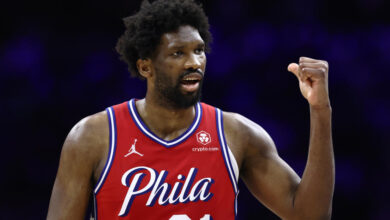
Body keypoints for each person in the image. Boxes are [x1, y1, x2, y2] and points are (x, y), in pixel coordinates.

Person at [47, 0, 334, 219]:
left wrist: (320, 110)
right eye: (177, 53)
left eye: (198, 50)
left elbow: (309, 216)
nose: (193, 62)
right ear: (145, 66)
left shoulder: (236, 134)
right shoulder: (92, 138)